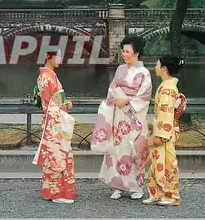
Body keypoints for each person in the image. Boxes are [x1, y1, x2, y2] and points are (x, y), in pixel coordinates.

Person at [91, 35, 152, 200]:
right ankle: (118, 185)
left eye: (127, 51)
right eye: (123, 51)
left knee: (133, 149)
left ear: (137, 52)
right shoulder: (120, 69)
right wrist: (114, 99)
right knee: (117, 150)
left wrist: (126, 100)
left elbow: (144, 97)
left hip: (133, 117)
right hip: (118, 116)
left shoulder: (144, 73)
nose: (124, 54)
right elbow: (112, 89)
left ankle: (136, 186)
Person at [32, 50, 76, 204]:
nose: (60, 59)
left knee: (61, 154)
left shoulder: (50, 75)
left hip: (56, 119)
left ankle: (57, 191)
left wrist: (64, 103)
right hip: (54, 122)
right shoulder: (45, 76)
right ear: (47, 56)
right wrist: (65, 104)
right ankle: (57, 193)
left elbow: (54, 99)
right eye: (57, 56)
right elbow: (49, 103)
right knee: (57, 156)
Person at [142, 55, 186, 206]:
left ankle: (170, 195)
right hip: (161, 128)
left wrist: (161, 135)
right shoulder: (167, 85)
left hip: (164, 132)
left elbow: (166, 113)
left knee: (167, 163)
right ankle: (156, 194)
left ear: (164, 69)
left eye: (157, 64)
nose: (155, 67)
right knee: (157, 162)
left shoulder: (167, 88)